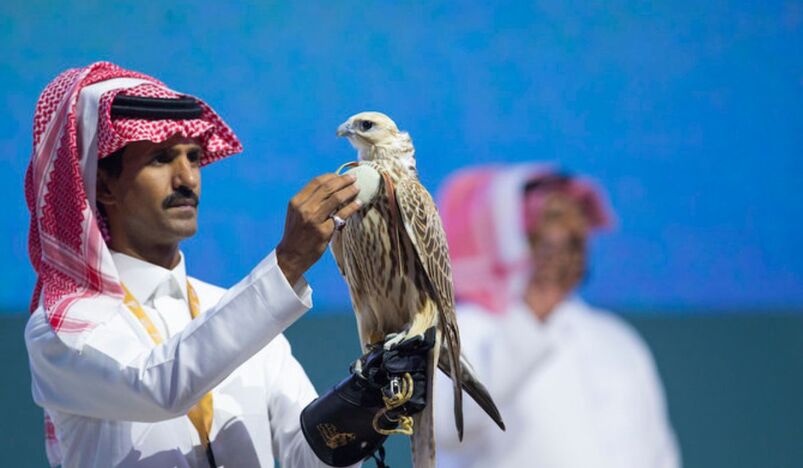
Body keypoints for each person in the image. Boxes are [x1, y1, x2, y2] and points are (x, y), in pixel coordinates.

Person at [24, 61, 428, 468]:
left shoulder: (243, 314)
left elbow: (307, 456)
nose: (187, 179)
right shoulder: (63, 328)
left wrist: (368, 401)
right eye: (161, 159)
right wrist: (287, 263)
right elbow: (158, 387)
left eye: (194, 157)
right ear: (103, 185)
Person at [433, 164, 681, 468]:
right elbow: (446, 426)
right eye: (551, 220)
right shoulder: (461, 330)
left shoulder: (618, 340)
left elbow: (660, 455)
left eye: (576, 230)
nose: (570, 235)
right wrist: (533, 312)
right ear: (512, 234)